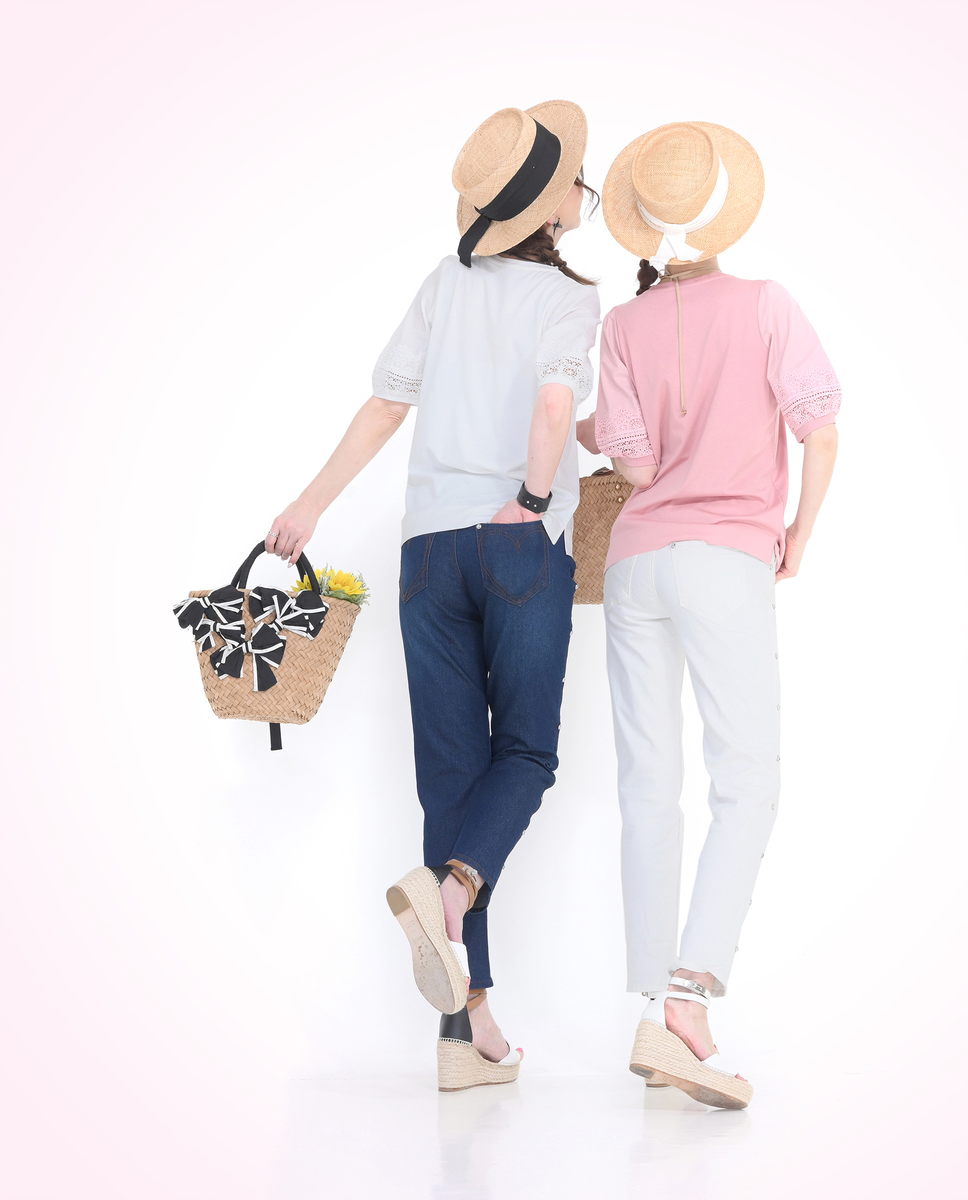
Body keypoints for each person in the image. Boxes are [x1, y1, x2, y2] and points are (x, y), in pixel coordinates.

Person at [267, 102, 600, 1092]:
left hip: (427, 552)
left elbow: (386, 406)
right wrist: (532, 499)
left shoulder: (443, 284)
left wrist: (309, 505)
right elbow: (553, 404)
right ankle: (453, 889)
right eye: (574, 184)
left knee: (451, 779)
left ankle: (466, 1035)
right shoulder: (567, 298)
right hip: (516, 546)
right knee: (527, 754)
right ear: (550, 208)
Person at [577, 121, 841, 1109]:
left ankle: (658, 1009)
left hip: (637, 563)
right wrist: (798, 535)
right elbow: (820, 431)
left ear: (645, 227)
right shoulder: (767, 305)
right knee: (748, 782)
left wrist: (595, 423)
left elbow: (635, 463)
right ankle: (688, 1002)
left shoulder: (623, 325)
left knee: (649, 786)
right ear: (724, 214)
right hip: (727, 561)